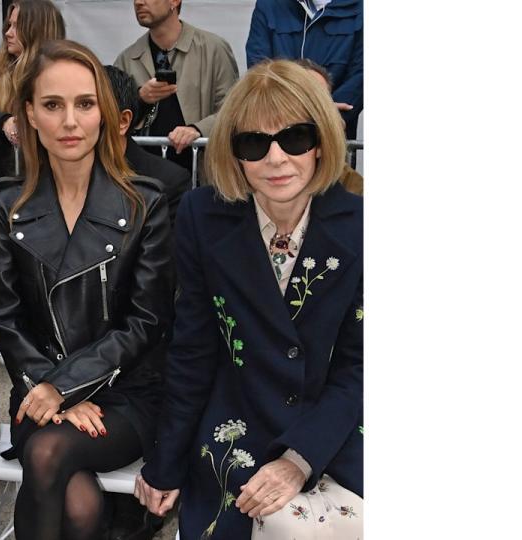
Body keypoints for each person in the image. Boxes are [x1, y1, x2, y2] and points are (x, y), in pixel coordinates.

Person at [134, 59, 363, 539]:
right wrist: (166, 461)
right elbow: (193, 348)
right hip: (238, 425)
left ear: (321, 140)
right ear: (234, 153)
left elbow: (362, 367)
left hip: (336, 429)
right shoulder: (201, 216)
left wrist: (299, 459)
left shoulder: (363, 226)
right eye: (254, 143)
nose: (276, 159)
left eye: (295, 138)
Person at [0, 39, 175, 540]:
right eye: (52, 105)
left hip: (126, 394)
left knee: (50, 455)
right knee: (76, 496)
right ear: (30, 115)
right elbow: (6, 318)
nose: (70, 121)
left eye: (84, 104)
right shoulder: (6, 206)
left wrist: (66, 386)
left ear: (105, 114)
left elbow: (146, 323)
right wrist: (52, 389)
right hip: (36, 391)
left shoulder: (145, 205)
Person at [114, 0, 238, 174]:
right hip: (144, 182)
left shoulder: (213, 49)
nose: (139, 2)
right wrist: (140, 98)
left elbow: (233, 112)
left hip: (201, 176)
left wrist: (197, 130)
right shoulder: (127, 58)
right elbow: (113, 120)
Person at [0, 0, 65, 180]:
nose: (8, 33)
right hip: (7, 180)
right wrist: (4, 123)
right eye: (9, 25)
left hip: (53, 177)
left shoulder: (62, 68)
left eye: (16, 27)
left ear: (37, 30)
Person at [245, 0, 363, 138]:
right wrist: (291, 109)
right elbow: (260, 69)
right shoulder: (269, 5)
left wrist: (323, 113)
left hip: (333, 132)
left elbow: (360, 78)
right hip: (276, 129)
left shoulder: (361, 9)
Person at [104, 64, 191, 225]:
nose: (72, 120)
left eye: (87, 106)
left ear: (123, 121)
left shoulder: (168, 182)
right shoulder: (58, 176)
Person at [295, 58, 363, 196]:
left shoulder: (345, 180)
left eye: (320, 104)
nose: (312, 113)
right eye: (302, 101)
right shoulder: (251, 163)